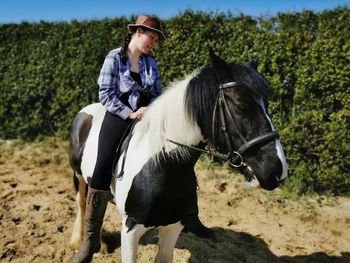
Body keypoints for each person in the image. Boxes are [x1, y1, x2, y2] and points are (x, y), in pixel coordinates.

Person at [73, 15, 213, 263]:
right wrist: (130, 113)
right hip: (118, 113)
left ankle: (188, 214)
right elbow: (105, 95)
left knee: (181, 157)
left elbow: (158, 95)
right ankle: (90, 239)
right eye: (152, 36)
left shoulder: (151, 63)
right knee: (101, 164)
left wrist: (153, 111)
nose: (154, 42)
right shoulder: (114, 57)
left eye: (157, 39)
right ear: (137, 32)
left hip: (147, 115)